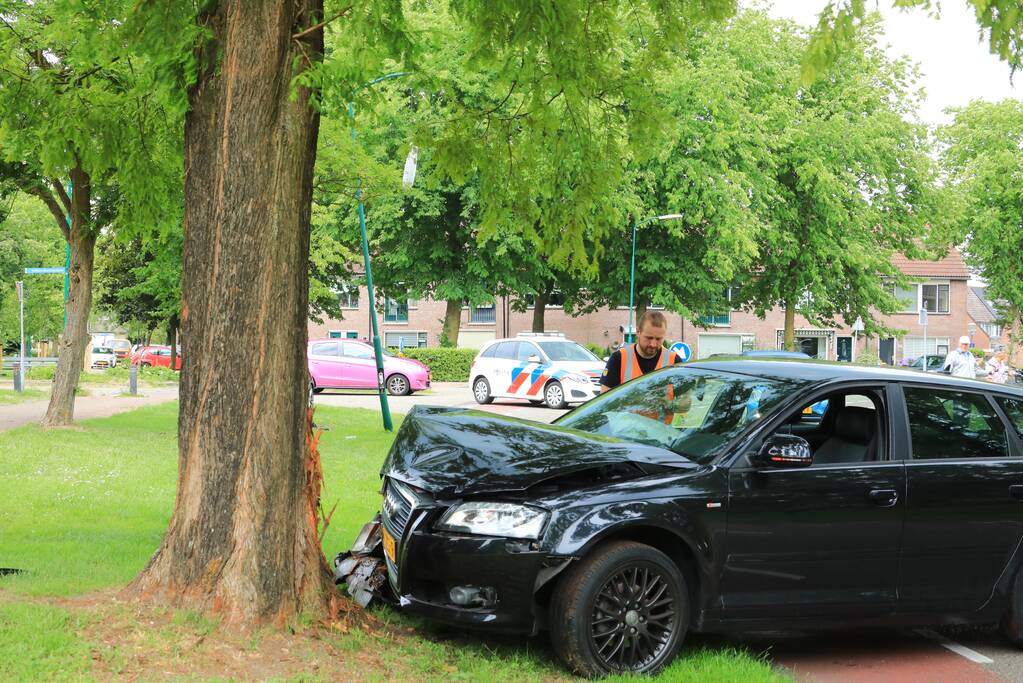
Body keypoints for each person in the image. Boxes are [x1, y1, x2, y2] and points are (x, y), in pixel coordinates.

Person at [601, 311, 682, 392]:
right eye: (649, 338)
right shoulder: (619, 359)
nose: (653, 344)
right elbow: (604, 399)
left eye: (658, 339)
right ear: (638, 332)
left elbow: (685, 399)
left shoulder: (674, 361)